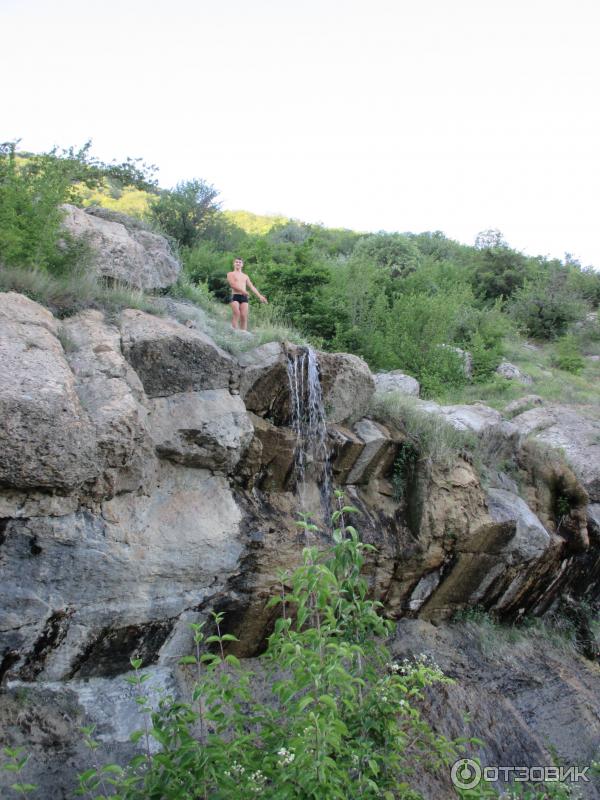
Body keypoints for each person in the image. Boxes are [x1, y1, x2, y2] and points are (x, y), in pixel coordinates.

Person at [226, 257, 267, 332]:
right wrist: (243, 291)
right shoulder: (230, 274)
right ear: (234, 264)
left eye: (240, 262)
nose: (238, 263)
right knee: (237, 313)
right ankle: (233, 332)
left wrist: (260, 296)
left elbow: (251, 286)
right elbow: (233, 285)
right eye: (236, 262)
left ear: (242, 265)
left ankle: (243, 333)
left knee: (244, 316)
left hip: (244, 297)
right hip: (235, 296)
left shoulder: (245, 276)